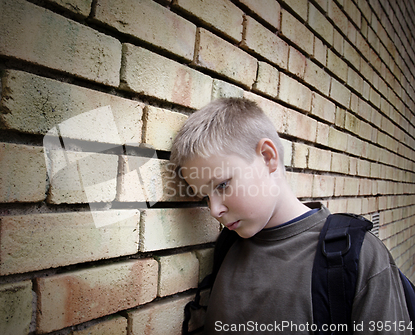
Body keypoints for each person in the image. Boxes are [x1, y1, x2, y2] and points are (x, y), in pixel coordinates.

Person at [170, 98, 410, 334]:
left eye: (222, 185)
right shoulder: (227, 247)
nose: (214, 210)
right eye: (205, 197)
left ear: (267, 157)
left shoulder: (357, 256)